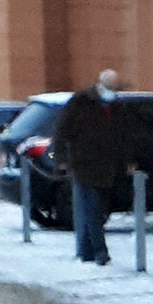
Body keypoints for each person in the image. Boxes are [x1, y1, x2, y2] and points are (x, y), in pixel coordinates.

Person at [52, 70, 127, 266]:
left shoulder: (117, 107)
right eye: (110, 88)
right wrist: (61, 159)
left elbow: (123, 137)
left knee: (96, 210)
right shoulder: (80, 102)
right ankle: (101, 251)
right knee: (92, 208)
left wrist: (127, 160)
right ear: (100, 85)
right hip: (82, 165)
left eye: (115, 89)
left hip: (106, 167)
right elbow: (61, 132)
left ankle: (86, 252)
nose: (112, 93)